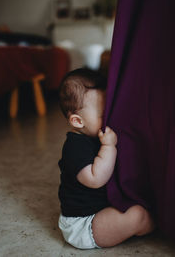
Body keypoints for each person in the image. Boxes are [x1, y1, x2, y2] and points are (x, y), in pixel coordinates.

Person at [57, 68, 155, 249]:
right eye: (103, 114)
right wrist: (109, 147)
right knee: (136, 216)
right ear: (78, 121)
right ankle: (154, 225)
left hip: (101, 211)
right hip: (83, 224)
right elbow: (96, 179)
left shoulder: (93, 134)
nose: (109, 118)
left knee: (136, 207)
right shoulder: (74, 147)